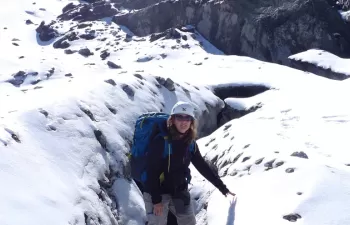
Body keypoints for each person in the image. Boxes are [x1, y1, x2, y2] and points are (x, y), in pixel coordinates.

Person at [143, 101, 235, 225]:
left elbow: (202, 166)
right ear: (173, 120)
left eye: (187, 118)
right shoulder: (161, 141)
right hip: (157, 192)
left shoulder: (190, 143)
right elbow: (151, 171)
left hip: (179, 190)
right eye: (179, 117)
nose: (183, 121)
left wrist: (222, 187)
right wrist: (156, 201)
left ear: (192, 122)